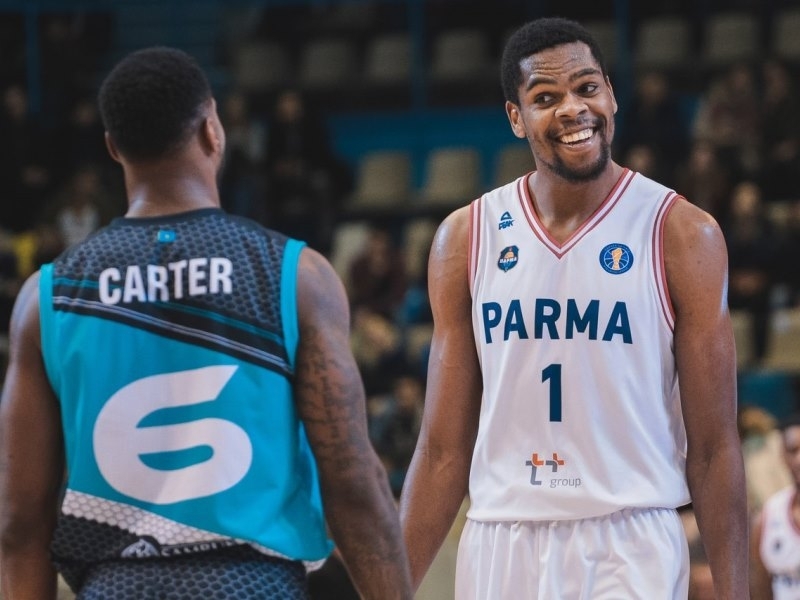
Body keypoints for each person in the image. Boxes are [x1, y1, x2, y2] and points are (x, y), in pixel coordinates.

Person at [0, 46, 412, 600]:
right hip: (252, 584)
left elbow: (20, 524)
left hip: (115, 587)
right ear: (212, 130)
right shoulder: (295, 276)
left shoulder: (46, 297)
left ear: (113, 147)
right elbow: (355, 487)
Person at [399, 17, 748, 599]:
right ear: (516, 117)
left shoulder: (682, 233)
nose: (572, 109)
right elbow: (440, 452)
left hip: (629, 537)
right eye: (545, 98)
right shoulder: (466, 237)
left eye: (587, 88)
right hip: (500, 538)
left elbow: (714, 449)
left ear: (610, 94)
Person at [750, 412, 800, 599]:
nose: (799, 459)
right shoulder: (768, 515)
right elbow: (761, 589)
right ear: (782, 456)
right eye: (793, 450)